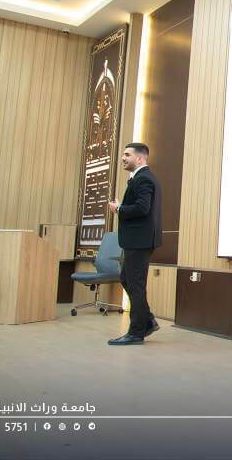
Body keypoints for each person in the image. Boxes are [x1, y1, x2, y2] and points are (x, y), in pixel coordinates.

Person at [106, 142, 162, 345]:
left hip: (140, 241)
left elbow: (142, 208)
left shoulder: (144, 178)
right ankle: (147, 320)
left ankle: (137, 332)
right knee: (127, 280)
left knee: (135, 285)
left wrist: (119, 209)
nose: (123, 158)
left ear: (139, 158)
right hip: (137, 241)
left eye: (127, 154)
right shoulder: (140, 178)